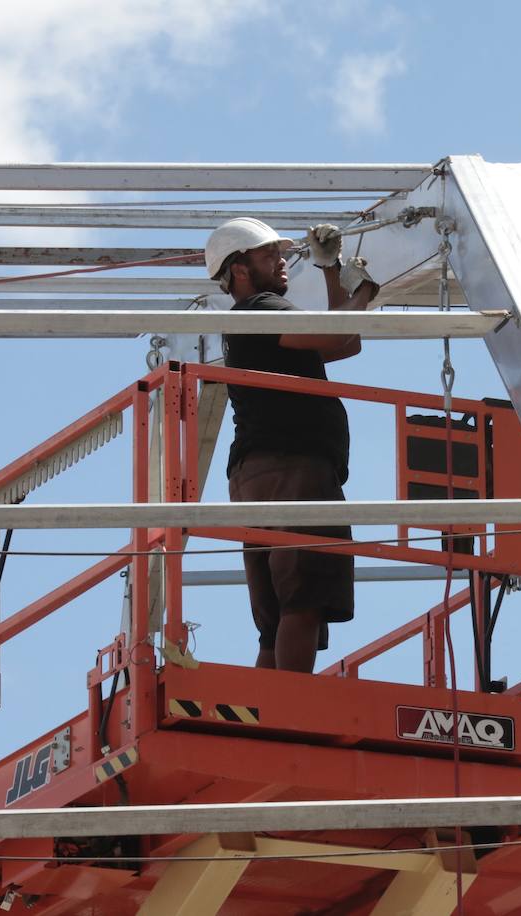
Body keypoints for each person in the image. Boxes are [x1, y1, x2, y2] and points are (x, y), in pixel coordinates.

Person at [206, 217, 379, 672]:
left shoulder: (251, 323)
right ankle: (290, 708)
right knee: (304, 593)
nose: (281, 263)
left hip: (256, 475)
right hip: (292, 468)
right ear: (239, 270)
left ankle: (267, 717)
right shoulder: (260, 308)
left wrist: (331, 271)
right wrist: (365, 290)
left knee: (277, 612)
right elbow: (338, 331)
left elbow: (346, 343)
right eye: (268, 256)